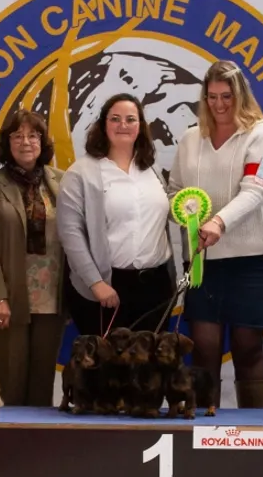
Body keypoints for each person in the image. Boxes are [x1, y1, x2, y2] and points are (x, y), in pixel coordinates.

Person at [168, 60, 263, 410]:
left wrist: (218, 222)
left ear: (241, 96)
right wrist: (181, 210)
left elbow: (257, 189)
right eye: (212, 96)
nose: (219, 104)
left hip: (253, 261)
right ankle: (204, 424)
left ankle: (255, 428)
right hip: (203, 262)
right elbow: (174, 190)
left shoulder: (262, 133)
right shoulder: (190, 138)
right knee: (203, 349)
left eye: (227, 96)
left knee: (247, 347)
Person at [57, 93, 177, 337]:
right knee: (108, 362)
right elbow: (70, 233)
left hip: (156, 287)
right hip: (106, 288)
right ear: (103, 125)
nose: (123, 125)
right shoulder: (80, 173)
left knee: (150, 361)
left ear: (140, 126)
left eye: (131, 119)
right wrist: (96, 283)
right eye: (115, 119)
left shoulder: (151, 170)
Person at [0, 109, 67, 406]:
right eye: (17, 136)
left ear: (43, 142)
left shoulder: (62, 181)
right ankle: (5, 434)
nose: (26, 142)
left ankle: (38, 437)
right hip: (12, 295)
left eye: (33, 135)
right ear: (7, 143)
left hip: (52, 296)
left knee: (42, 382)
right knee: (9, 379)